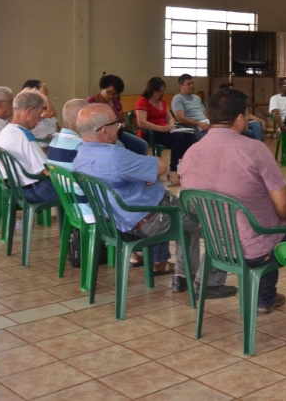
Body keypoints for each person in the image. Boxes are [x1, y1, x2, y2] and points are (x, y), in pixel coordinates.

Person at [73, 104, 237, 297]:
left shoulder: (80, 155)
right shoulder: (116, 156)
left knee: (191, 213)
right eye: (116, 123)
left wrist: (143, 174)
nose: (120, 126)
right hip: (153, 217)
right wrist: (147, 174)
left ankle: (183, 277)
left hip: (120, 222)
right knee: (220, 227)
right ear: (104, 130)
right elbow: (160, 167)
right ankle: (208, 284)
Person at [180, 87, 286, 314]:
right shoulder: (255, 149)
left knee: (263, 228)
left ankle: (265, 295)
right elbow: (284, 208)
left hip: (216, 246)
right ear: (241, 119)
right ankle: (266, 298)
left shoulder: (191, 152)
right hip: (255, 250)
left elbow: (192, 206)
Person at [0, 90, 59, 204]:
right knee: (81, 189)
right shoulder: (25, 135)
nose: (40, 119)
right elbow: (47, 170)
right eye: (40, 114)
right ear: (29, 111)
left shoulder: (7, 130)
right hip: (37, 191)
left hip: (19, 189)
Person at [133, 77, 195, 185]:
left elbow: (170, 118)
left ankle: (180, 167)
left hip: (165, 130)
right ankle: (173, 170)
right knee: (179, 137)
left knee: (188, 135)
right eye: (158, 91)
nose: (161, 93)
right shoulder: (142, 102)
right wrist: (161, 128)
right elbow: (142, 123)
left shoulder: (162, 102)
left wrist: (171, 125)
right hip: (150, 132)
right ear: (151, 90)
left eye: (162, 91)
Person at [46, 98, 94, 222]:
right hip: (90, 210)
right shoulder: (82, 147)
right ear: (79, 121)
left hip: (71, 208)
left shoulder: (54, 142)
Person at [87, 73, 148, 155]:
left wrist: (122, 125)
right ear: (102, 89)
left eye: (115, 94)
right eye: (109, 92)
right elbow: (87, 124)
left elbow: (123, 120)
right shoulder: (91, 102)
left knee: (142, 145)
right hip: (100, 136)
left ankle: (138, 166)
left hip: (117, 133)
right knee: (120, 148)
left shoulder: (116, 103)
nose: (111, 96)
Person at [172, 74, 210, 139]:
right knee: (210, 138)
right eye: (188, 84)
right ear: (181, 86)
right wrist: (199, 124)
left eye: (192, 83)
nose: (192, 86)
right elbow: (180, 119)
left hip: (205, 122)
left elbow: (205, 113)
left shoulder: (197, 98)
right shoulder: (178, 98)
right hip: (194, 126)